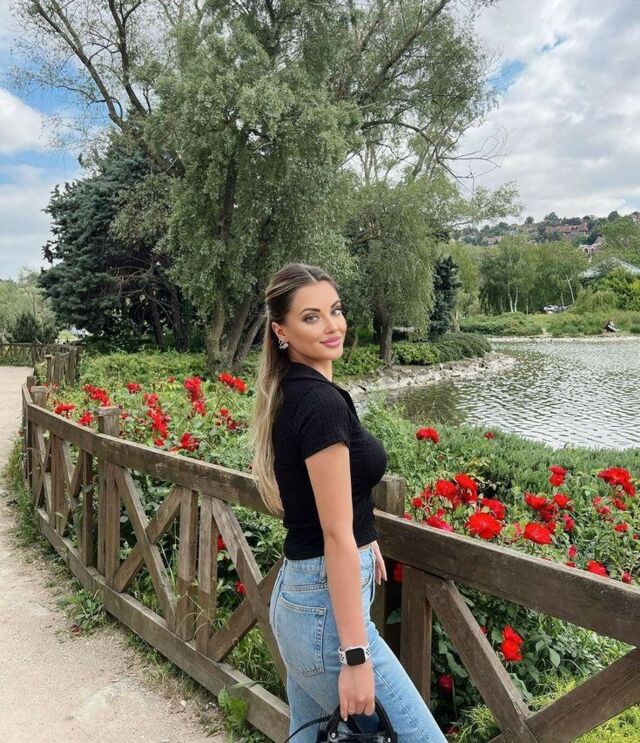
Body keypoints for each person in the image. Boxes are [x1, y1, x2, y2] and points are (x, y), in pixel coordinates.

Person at [249, 263, 447, 742]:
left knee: (310, 735)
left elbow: (326, 500)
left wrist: (363, 533)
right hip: (327, 617)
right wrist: (355, 659)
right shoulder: (321, 405)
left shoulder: (295, 392)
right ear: (281, 331)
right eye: (311, 317)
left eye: (335, 311)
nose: (332, 325)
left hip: (302, 600)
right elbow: (333, 533)